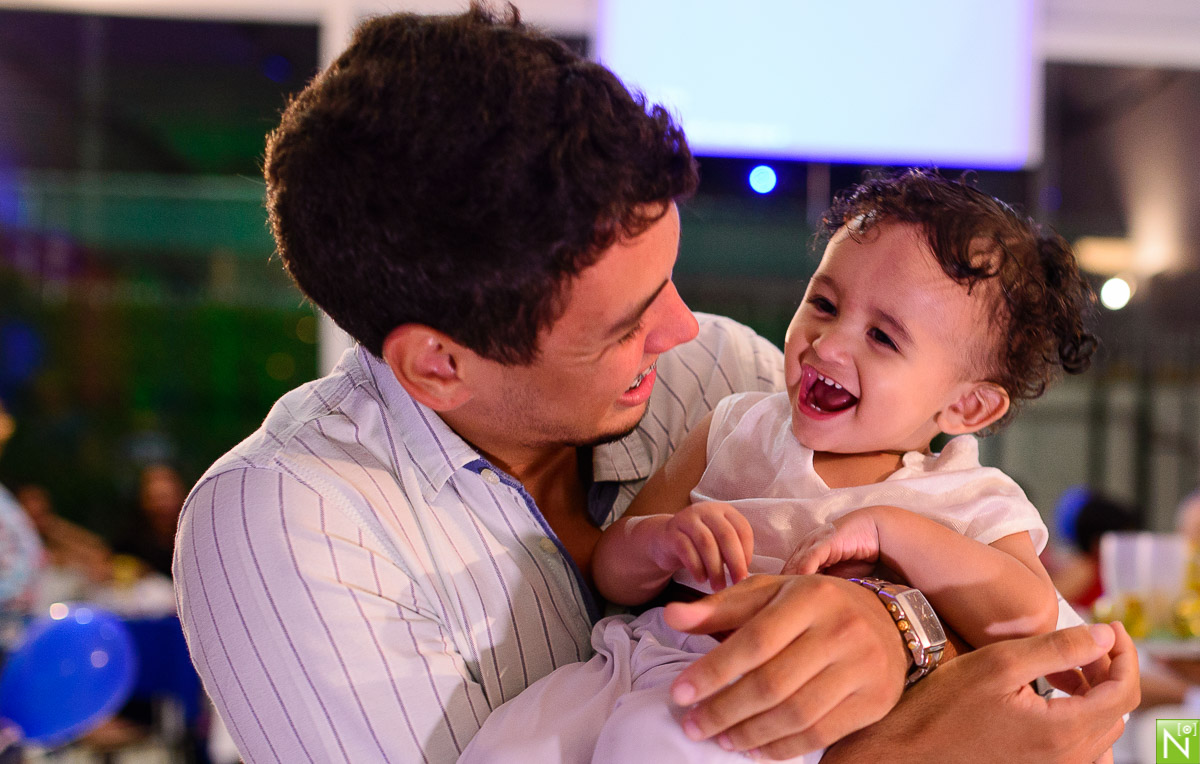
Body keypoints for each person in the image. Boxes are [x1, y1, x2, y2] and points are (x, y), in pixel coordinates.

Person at [172, 5, 1138, 762]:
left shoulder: (717, 371)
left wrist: (898, 628)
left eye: (667, 279)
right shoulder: (288, 531)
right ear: (440, 364)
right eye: (627, 322)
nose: (682, 328)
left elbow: (1018, 649)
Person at [459, 169, 1102, 761]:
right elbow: (611, 573)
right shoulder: (738, 424)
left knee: (654, 739)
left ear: (966, 405)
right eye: (823, 303)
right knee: (509, 746)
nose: (828, 341)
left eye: (883, 337)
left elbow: (1024, 614)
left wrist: (893, 532)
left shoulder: (967, 494)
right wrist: (660, 542)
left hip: (780, 708)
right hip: (638, 663)